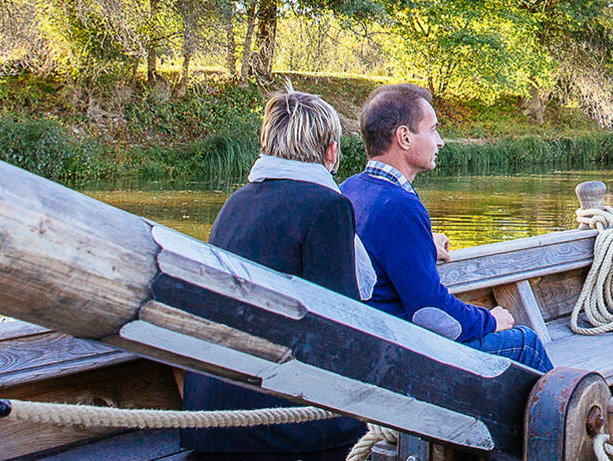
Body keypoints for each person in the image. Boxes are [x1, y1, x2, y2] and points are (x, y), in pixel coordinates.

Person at [181, 90, 368, 461]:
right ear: (331, 152)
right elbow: (341, 323)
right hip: (274, 417)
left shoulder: (236, 202)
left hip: (209, 414)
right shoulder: (327, 205)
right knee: (365, 424)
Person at [342, 83, 552, 371]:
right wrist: (492, 320)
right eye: (432, 130)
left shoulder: (352, 189)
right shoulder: (402, 207)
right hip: (398, 353)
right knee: (526, 343)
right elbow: (432, 313)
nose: (440, 141)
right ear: (404, 137)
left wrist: (425, 244)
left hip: (365, 339)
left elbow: (381, 251)